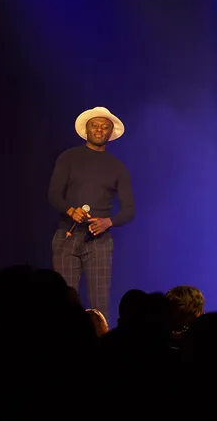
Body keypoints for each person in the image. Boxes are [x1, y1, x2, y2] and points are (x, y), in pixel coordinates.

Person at [48, 106, 136, 319]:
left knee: (100, 302)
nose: (99, 130)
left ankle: (100, 345)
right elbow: (53, 194)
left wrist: (109, 222)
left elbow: (129, 209)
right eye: (94, 126)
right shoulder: (69, 157)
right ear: (86, 130)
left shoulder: (117, 167)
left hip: (99, 240)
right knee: (63, 300)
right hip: (67, 235)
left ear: (110, 132)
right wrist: (70, 211)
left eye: (104, 127)